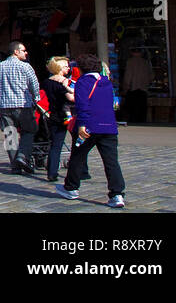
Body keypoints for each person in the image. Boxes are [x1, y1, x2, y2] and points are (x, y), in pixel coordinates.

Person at [57, 53, 125, 208]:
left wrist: (81, 125)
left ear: (80, 68)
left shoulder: (83, 82)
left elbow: (82, 105)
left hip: (89, 126)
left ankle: (71, 187)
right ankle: (117, 194)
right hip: (108, 126)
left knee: (78, 156)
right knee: (111, 162)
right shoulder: (106, 81)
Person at [0, 41, 40, 174]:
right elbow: (34, 85)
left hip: (4, 105)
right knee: (29, 130)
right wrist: (36, 97)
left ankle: (15, 165)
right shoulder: (25, 66)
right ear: (16, 51)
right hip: (23, 104)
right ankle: (22, 155)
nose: (26, 53)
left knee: (10, 134)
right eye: (23, 50)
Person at [120, 47, 153, 124]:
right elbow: (151, 76)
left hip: (133, 89)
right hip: (143, 89)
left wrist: (125, 88)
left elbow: (128, 77)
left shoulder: (130, 62)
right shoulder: (146, 62)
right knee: (142, 111)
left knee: (132, 111)